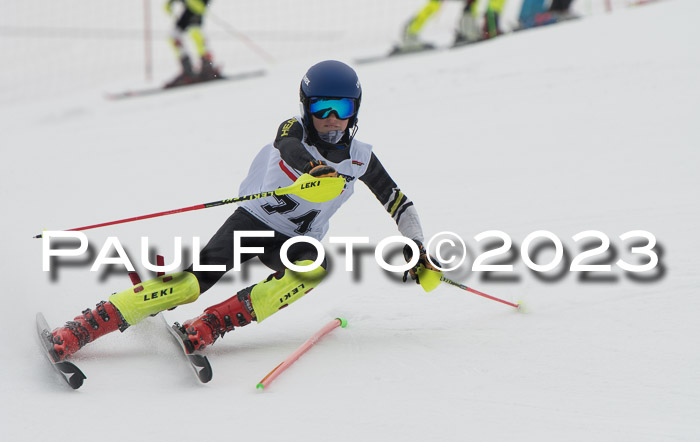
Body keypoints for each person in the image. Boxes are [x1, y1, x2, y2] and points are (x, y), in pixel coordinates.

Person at [45, 60, 440, 362]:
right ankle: (82, 328)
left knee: (312, 271)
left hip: (298, 240)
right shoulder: (293, 130)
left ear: (355, 110)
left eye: (342, 108)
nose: (331, 119)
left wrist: (417, 247)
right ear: (306, 108)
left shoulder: (361, 158)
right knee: (186, 286)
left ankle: (213, 323)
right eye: (321, 108)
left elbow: (399, 203)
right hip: (253, 222)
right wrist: (314, 170)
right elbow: (290, 150)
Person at [164, 0, 220, 88]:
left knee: (192, 30)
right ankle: (195, 68)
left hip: (196, 3)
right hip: (193, 4)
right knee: (178, 33)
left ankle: (204, 67)